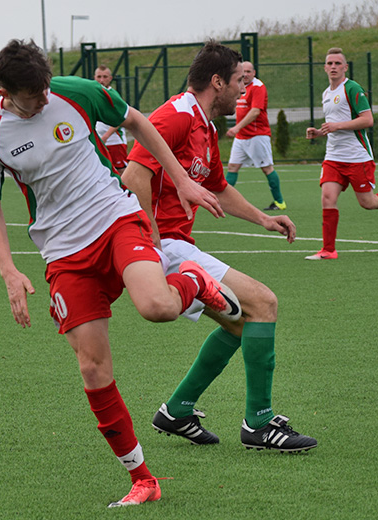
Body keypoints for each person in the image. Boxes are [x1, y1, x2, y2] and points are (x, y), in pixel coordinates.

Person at [0, 39, 241, 508]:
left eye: (45, 89)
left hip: (115, 217)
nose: (42, 101)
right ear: (5, 90)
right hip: (62, 251)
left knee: (157, 307)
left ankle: (194, 280)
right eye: (31, 97)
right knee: (92, 366)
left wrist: (180, 179)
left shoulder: (73, 92)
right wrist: (9, 271)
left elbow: (136, 121)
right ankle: (142, 480)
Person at [122, 40, 318, 454]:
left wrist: (263, 218)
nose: (242, 91)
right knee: (263, 304)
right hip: (167, 247)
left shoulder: (205, 126)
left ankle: (177, 410)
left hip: (177, 243)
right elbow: (134, 175)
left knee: (239, 323)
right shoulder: (175, 115)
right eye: (237, 83)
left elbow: (216, 186)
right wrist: (150, 239)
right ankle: (259, 426)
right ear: (217, 82)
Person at [305, 47, 378, 260]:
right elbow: (334, 126)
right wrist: (318, 132)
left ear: (345, 67)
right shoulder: (326, 93)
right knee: (327, 198)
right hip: (333, 158)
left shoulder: (352, 88)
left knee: (368, 203)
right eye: (329, 63)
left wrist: (337, 126)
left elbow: (368, 120)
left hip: (357, 157)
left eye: (337, 63)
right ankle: (329, 250)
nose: (333, 67)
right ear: (324, 67)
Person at [225, 61, 286, 211]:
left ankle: (279, 202)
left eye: (248, 71)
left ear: (254, 73)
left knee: (267, 168)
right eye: (243, 71)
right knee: (232, 167)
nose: (245, 74)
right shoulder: (239, 86)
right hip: (241, 137)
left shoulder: (258, 87)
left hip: (257, 136)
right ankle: (221, 201)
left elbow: (255, 112)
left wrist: (236, 127)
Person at [93, 65, 130, 173]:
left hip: (114, 141)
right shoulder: (95, 94)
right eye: (99, 77)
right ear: (94, 77)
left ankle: (129, 189)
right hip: (101, 140)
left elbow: (120, 118)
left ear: (110, 78)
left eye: (105, 77)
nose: (101, 80)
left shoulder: (112, 95)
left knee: (121, 170)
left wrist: (106, 136)